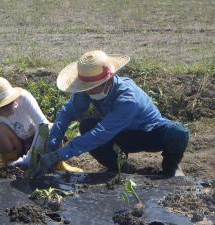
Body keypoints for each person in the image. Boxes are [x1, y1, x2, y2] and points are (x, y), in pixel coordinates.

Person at [29, 50, 189, 179]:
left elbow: (101, 134)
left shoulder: (128, 98)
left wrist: (58, 156)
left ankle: (172, 167)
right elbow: (68, 112)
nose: (88, 91)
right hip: (120, 135)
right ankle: (120, 168)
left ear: (109, 81)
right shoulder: (87, 89)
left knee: (178, 132)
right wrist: (52, 144)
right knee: (86, 125)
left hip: (148, 132)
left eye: (93, 87)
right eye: (86, 87)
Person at [0, 76, 82, 176]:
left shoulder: (24, 98)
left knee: (51, 128)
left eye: (7, 109)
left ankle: (57, 164)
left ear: (13, 100)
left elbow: (42, 124)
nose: (4, 114)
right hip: (18, 147)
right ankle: (10, 165)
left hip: (38, 143)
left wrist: (30, 156)